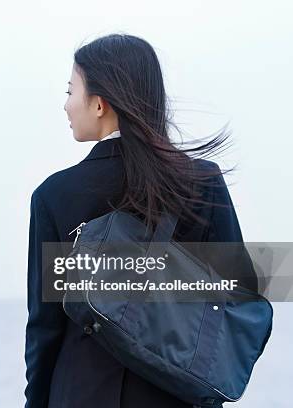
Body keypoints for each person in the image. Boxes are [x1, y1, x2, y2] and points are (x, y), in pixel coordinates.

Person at [24, 33, 258, 408]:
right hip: (173, 393)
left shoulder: (54, 196)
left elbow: (46, 330)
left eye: (70, 91)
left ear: (99, 104)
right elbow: (239, 296)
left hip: (79, 394)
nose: (66, 105)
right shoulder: (202, 182)